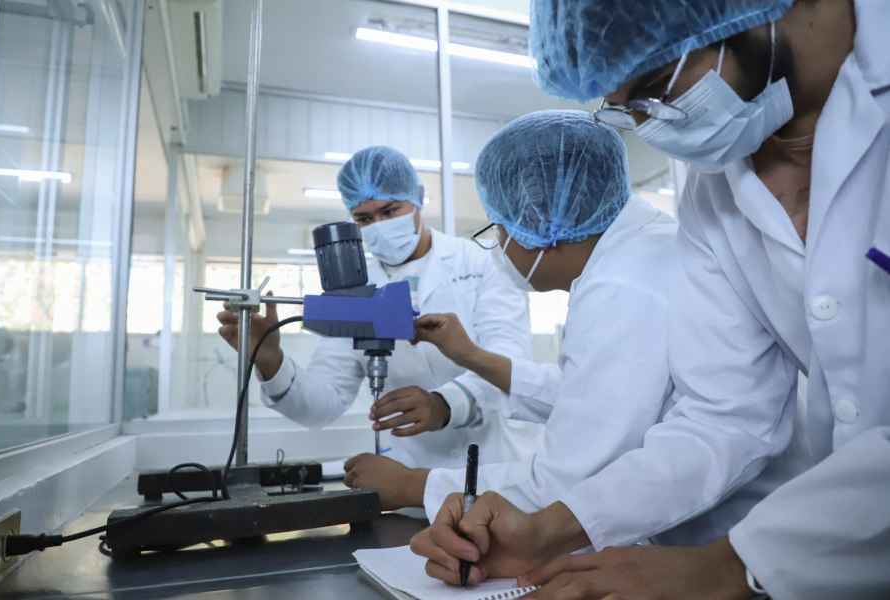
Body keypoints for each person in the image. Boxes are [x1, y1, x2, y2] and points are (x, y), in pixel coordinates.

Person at [416, 1, 890, 598]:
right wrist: (546, 531)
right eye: (627, 109)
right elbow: (726, 413)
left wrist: (734, 567)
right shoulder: (716, 187)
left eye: (656, 85)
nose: (650, 128)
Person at [351, 113, 698, 538]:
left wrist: (411, 484)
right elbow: (583, 394)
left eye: (500, 226)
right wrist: (471, 356)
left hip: (701, 537)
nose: (499, 244)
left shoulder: (620, 287)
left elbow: (569, 481)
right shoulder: (641, 250)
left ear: (539, 222)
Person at [216, 146, 540, 470]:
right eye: (364, 218)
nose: (379, 225)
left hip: (495, 465)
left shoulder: (482, 263)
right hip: (411, 474)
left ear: (417, 199)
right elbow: (322, 404)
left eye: (390, 211)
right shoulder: (354, 291)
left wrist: (443, 404)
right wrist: (271, 360)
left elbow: (509, 364)